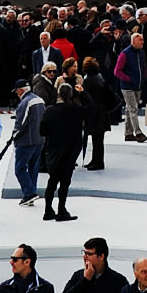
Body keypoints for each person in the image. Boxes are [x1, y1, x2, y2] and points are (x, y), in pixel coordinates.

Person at [42, 83, 85, 222]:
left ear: (58, 94)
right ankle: (61, 209)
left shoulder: (49, 110)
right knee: (64, 183)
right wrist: (82, 94)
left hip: (53, 150)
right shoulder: (76, 110)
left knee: (52, 181)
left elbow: (42, 131)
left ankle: (48, 209)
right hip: (69, 151)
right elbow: (90, 109)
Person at [9, 83, 45, 207]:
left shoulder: (25, 102)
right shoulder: (39, 100)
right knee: (33, 168)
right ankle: (31, 192)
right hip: (39, 140)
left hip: (26, 141)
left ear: (20, 90)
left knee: (20, 168)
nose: (16, 94)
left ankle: (29, 193)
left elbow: (21, 122)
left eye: (16, 91)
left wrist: (14, 135)